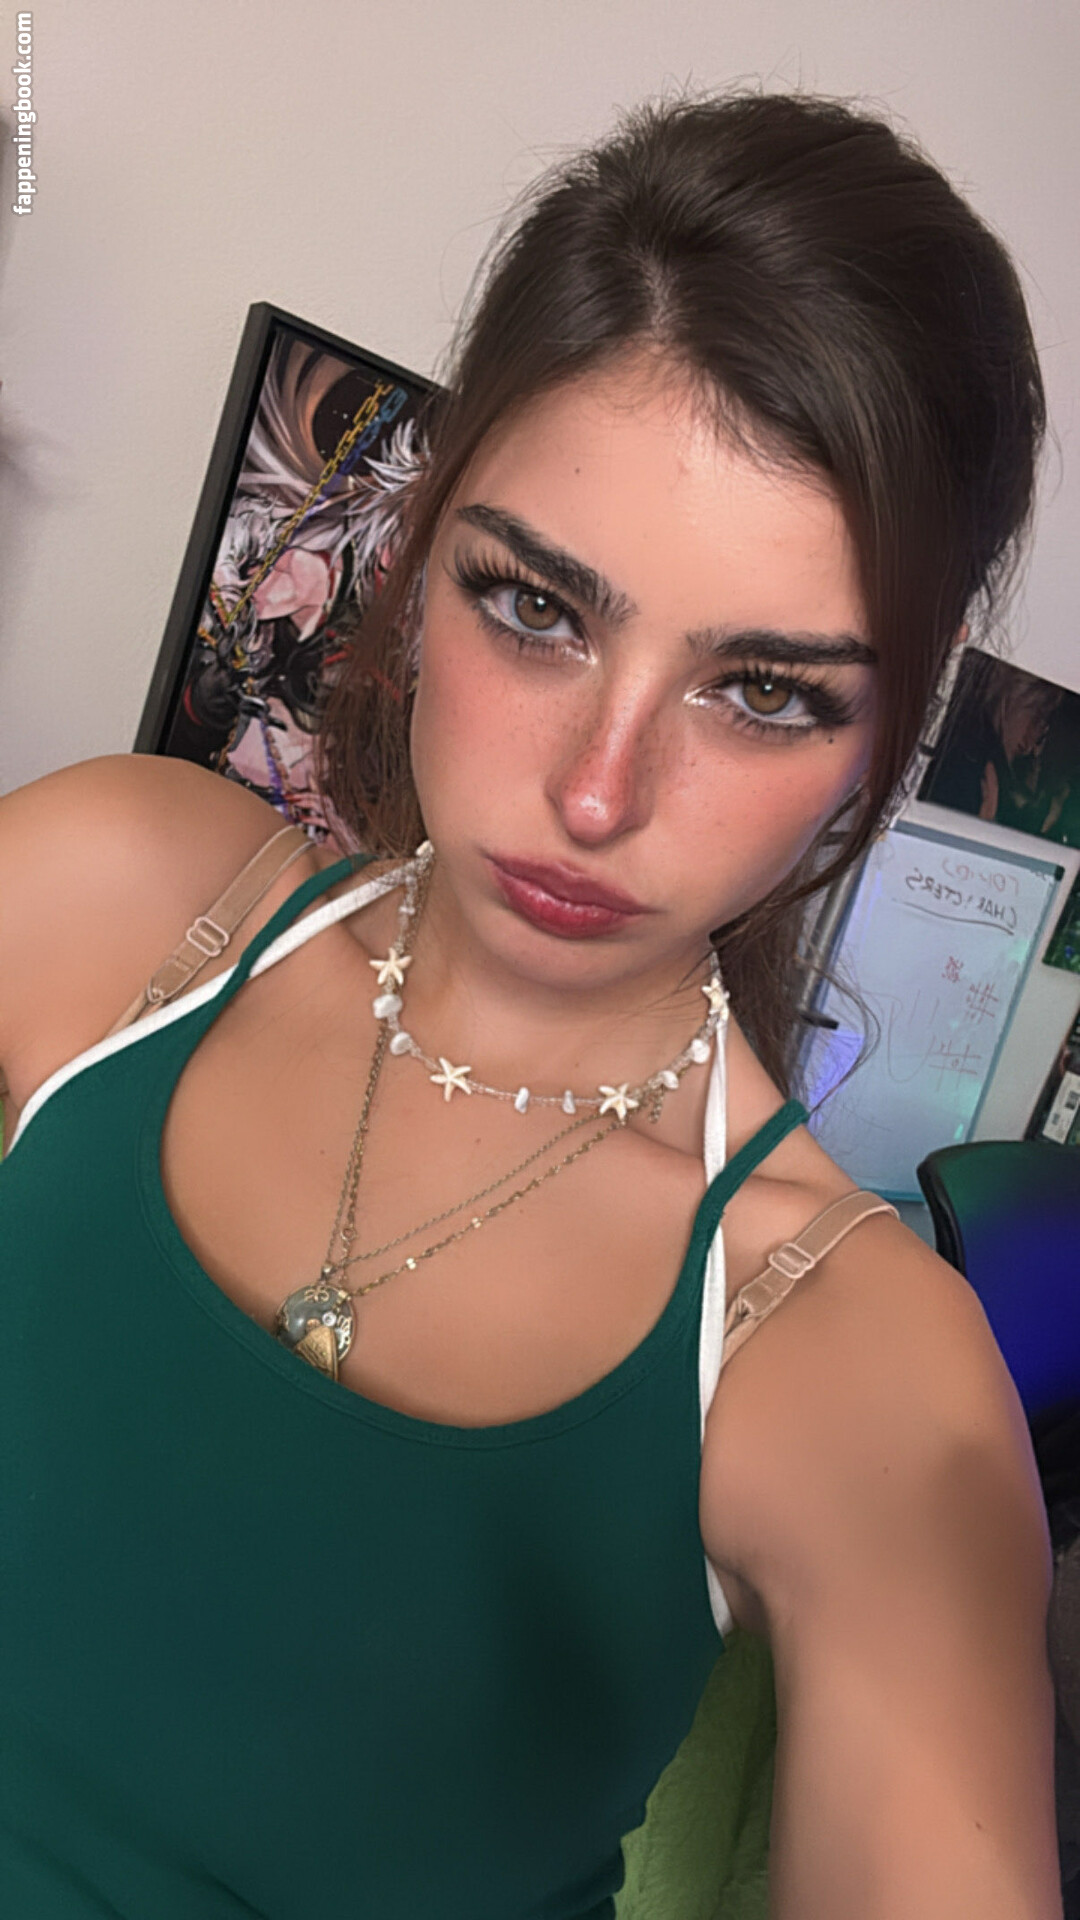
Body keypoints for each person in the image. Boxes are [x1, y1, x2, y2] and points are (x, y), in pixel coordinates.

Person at [0, 89, 1064, 1920]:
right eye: (537, 608)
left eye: (766, 692)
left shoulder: (863, 1371)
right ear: (423, 552)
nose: (597, 790)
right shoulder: (103, 901)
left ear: (895, 723)